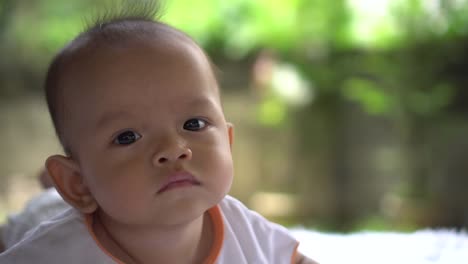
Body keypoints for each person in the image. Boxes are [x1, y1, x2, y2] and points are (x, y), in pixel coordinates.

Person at [0, 1, 318, 263]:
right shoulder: (52, 254)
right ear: (77, 182)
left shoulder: (241, 229)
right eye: (127, 137)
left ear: (228, 141)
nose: (173, 148)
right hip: (44, 216)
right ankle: (49, 190)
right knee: (37, 212)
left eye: (194, 124)